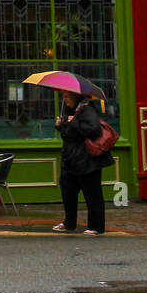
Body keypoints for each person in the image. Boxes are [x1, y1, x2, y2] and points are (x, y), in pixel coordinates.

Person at [54, 90, 111, 236]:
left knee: (92, 195)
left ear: (75, 96)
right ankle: (69, 222)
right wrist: (61, 126)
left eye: (66, 96)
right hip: (71, 161)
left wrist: (74, 123)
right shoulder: (73, 112)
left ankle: (96, 226)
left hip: (87, 162)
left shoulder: (87, 111)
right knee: (68, 193)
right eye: (63, 97)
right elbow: (68, 136)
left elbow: (94, 130)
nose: (64, 100)